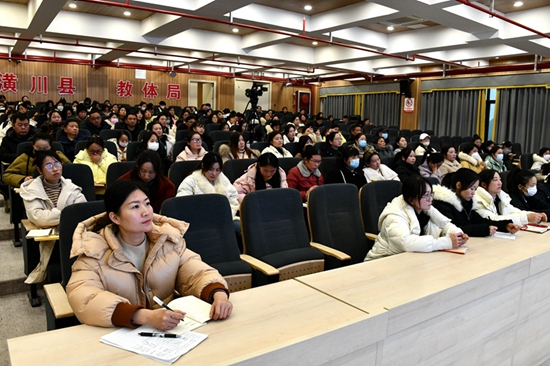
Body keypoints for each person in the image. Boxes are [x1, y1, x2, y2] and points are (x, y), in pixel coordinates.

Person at [66, 180, 231, 329]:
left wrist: (218, 294)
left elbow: (195, 272)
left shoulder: (167, 241)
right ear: (115, 217)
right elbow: (84, 296)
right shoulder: (93, 251)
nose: (146, 212)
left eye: (147, 204)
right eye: (135, 207)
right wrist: (143, 316)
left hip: (168, 331)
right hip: (121, 334)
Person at [20, 150, 86, 283]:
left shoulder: (71, 187)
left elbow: (81, 210)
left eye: (57, 163)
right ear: (39, 170)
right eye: (49, 166)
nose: (55, 168)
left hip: (71, 236)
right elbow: (38, 217)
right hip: (49, 240)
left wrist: (55, 218)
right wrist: (66, 215)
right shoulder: (31, 190)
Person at [365, 175, 468, 261]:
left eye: (431, 194)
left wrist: (457, 235)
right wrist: (447, 242)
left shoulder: (425, 208)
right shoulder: (394, 216)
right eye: (426, 195)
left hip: (409, 260)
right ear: (411, 199)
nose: (430, 199)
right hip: (383, 261)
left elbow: (444, 223)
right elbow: (406, 242)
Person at [433, 168, 519, 237]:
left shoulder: (466, 203)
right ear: (458, 185)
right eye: (471, 188)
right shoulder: (443, 204)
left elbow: (481, 221)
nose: (474, 193)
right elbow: (452, 229)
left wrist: (504, 226)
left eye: (475, 189)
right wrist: (484, 230)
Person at [176, 153, 239, 221]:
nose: (214, 173)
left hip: (223, 219)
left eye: (217, 170)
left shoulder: (223, 180)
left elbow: (233, 202)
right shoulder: (191, 180)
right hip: (199, 220)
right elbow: (182, 203)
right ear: (203, 166)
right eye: (210, 169)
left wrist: (225, 216)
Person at [473, 169, 544, 225]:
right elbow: (493, 219)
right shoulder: (477, 200)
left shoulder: (501, 197)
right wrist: (526, 218)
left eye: (500, 179)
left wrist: (535, 215)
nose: (500, 183)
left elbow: (514, 211)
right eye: (495, 180)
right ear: (484, 185)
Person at [4, 132, 71, 188]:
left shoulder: (58, 156)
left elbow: (71, 170)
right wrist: (23, 179)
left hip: (58, 187)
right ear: (33, 146)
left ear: (50, 147)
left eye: (45, 149)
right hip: (32, 189)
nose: (42, 151)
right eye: (38, 148)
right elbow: (7, 175)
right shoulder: (25, 157)